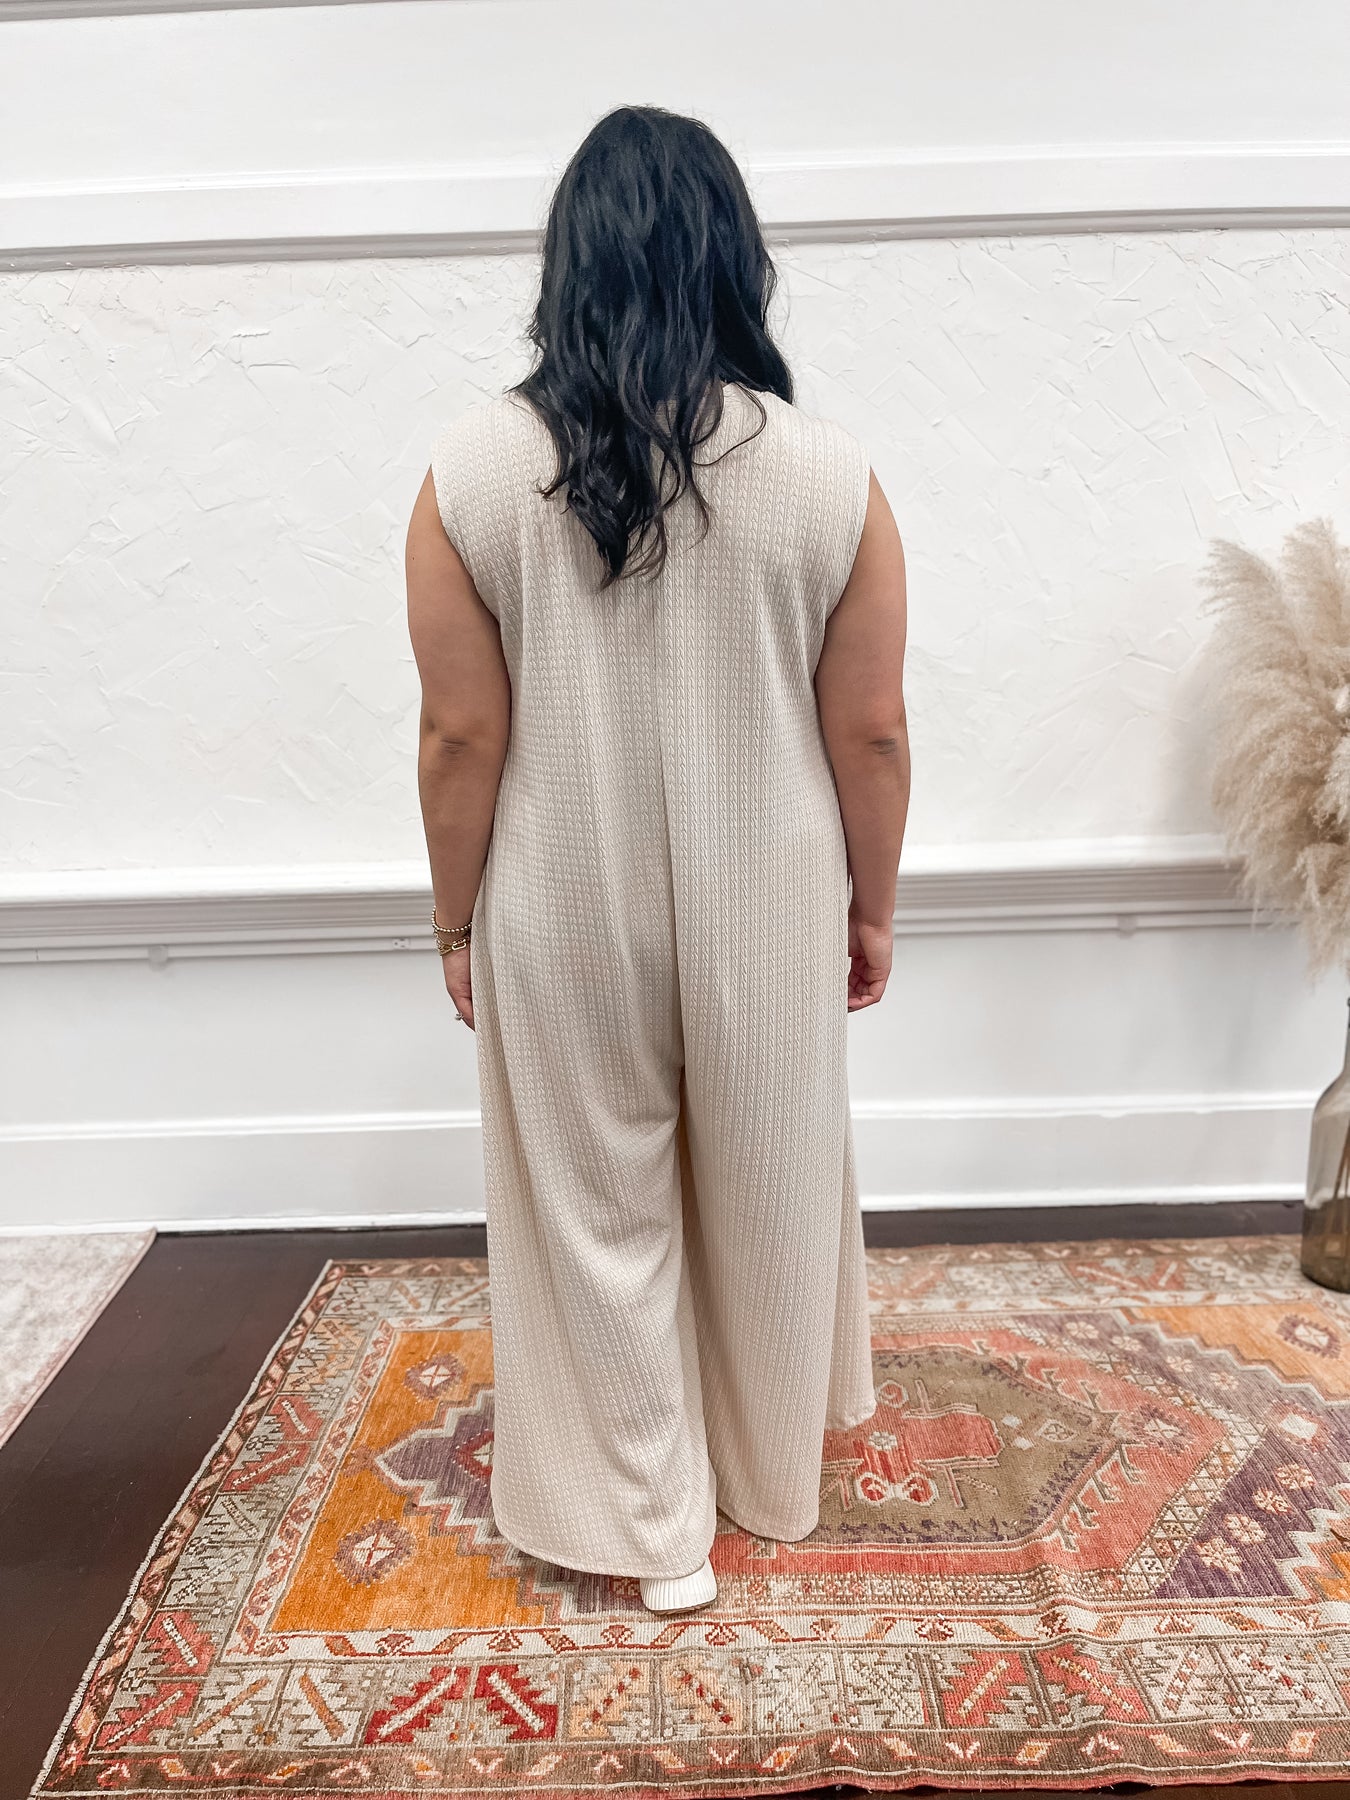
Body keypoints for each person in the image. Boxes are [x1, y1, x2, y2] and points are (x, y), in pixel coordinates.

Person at [404, 104, 909, 1616]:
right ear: (736, 263)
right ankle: (765, 1478)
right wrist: (872, 907)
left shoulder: (469, 474)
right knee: (768, 1179)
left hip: (561, 889)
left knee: (592, 1203)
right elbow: (871, 731)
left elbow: (458, 736)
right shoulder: (830, 476)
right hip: (771, 888)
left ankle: (651, 1528)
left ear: (566, 263)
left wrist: (453, 923)